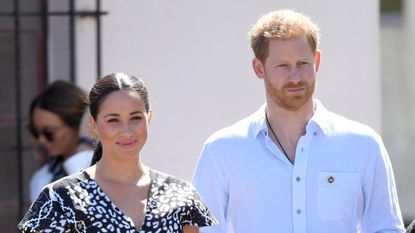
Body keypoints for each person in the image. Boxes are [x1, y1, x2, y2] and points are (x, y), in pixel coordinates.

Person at [192, 9, 405, 233]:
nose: (295, 77)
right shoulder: (221, 151)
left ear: (317, 61)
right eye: (282, 66)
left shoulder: (364, 145)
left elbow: (386, 228)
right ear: (258, 68)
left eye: (303, 63)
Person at [18, 73, 217, 233]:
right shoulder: (58, 198)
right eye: (113, 120)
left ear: (149, 118)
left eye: (135, 117)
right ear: (93, 125)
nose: (127, 130)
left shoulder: (181, 194)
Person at [27, 80, 94, 202]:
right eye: (36, 132)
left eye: (49, 133)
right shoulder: (42, 177)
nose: (41, 140)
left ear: (76, 125)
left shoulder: (106, 167)